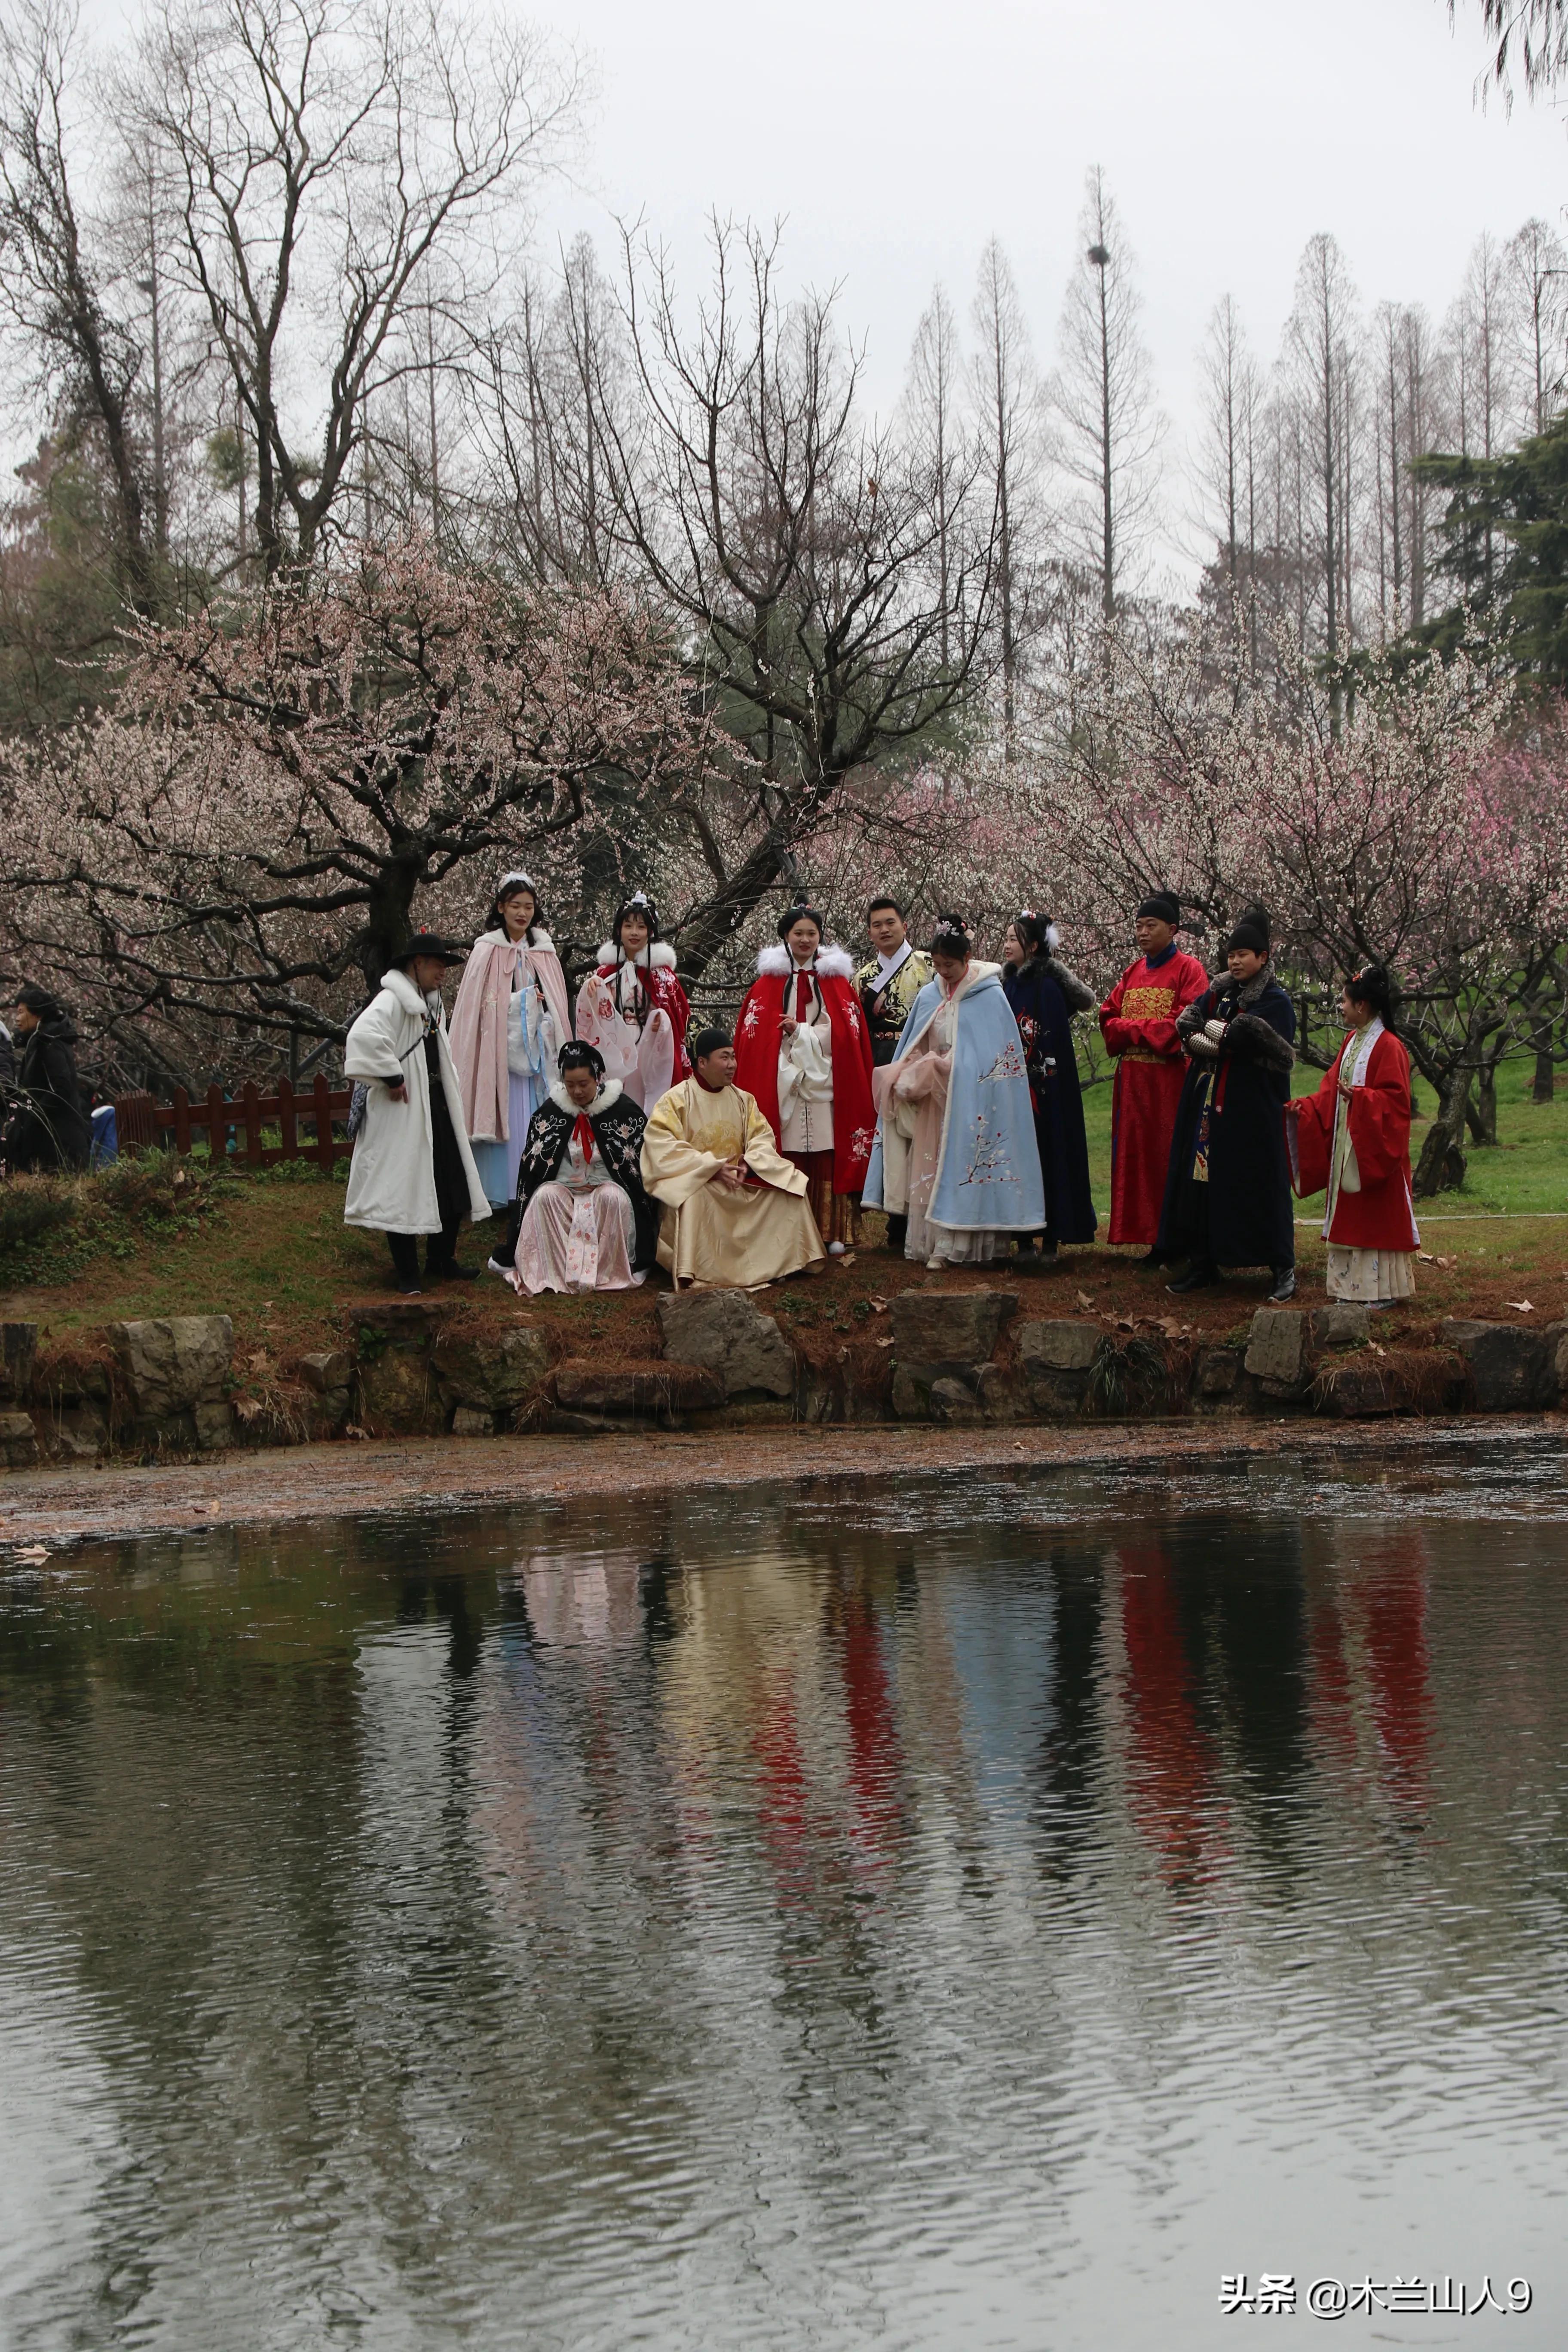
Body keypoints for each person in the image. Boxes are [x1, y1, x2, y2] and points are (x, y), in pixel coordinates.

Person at [861, 913, 1045, 1268]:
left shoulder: (989, 995)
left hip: (975, 1099)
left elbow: (996, 1056)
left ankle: (964, 1243)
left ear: (967, 958)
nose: (943, 972)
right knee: (933, 1167)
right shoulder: (931, 995)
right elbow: (916, 1040)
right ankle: (937, 1242)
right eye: (937, 964)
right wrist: (913, 1068)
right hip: (937, 1100)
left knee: (967, 1165)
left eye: (949, 965)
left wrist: (953, 1064)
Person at [1160, 909, 1298, 1303]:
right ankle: (1205, 1262)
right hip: (1208, 1107)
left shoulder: (1275, 1001)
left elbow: (1249, 1039)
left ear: (1263, 958)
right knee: (1203, 1183)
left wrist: (1222, 1037)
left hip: (1253, 1110)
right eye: (1231, 955)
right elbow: (1189, 1026)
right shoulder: (1219, 994)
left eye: (1244, 954)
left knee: (1262, 1183)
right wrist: (1219, 1038)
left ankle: (1282, 1266)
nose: (1235, 962)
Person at [343, 933, 491, 1295]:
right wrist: (392, 1075)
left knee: (452, 1182)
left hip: (435, 1104)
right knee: (402, 1186)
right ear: (416, 964)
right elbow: (363, 1037)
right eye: (437, 964)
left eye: (444, 965)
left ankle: (441, 1262)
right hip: (403, 1111)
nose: (443, 971)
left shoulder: (431, 1003)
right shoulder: (391, 1001)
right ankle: (407, 1273)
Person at [733, 899, 877, 1256]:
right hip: (783, 1080)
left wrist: (804, 1036)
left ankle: (833, 1230)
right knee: (788, 1150)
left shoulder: (837, 983)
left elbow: (847, 1034)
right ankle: (786, 1230)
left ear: (820, 937)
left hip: (828, 1078)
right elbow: (755, 1041)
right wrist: (787, 1053)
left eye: (812, 933)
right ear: (785, 936)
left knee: (829, 1150)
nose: (805, 940)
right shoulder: (766, 985)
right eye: (798, 933)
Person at [641, 1026, 826, 1289]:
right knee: (693, 1199)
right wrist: (711, 1169)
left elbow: (762, 1137)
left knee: (791, 1187)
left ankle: (792, 1261)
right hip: (702, 1187)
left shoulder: (743, 1100)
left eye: (733, 1057)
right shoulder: (675, 1101)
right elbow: (661, 1148)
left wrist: (747, 1164)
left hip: (738, 1184)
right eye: (724, 1058)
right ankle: (698, 1272)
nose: (732, 1065)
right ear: (702, 1063)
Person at [1286, 963, 1419, 1306]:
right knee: (1352, 1210)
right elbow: (1333, 1088)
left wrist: (1361, 1100)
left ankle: (1381, 1291)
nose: (1341, 1007)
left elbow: (1397, 1103)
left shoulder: (1390, 1047)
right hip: (1349, 1138)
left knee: (1374, 1210)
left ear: (1362, 1006)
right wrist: (1308, 1106)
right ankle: (1350, 1289)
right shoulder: (1351, 1041)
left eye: (1344, 1001)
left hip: (1371, 1143)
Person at [448, 872, 572, 1213]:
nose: (522, 913)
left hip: (537, 1051)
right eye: (515, 905)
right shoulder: (487, 949)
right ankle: (501, 1188)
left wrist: (541, 1005)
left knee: (535, 1109)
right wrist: (518, 1004)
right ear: (501, 907)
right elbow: (477, 1007)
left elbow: (557, 1003)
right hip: (498, 1050)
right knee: (504, 1107)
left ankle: (540, 1182)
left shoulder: (544, 950)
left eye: (529, 906)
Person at [1099, 893, 1210, 1262]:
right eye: (1139, 926)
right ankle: (1148, 1237)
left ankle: (1173, 1239)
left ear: (1173, 929)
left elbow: (1182, 1024)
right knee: (1136, 1157)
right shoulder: (1132, 972)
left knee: (1166, 1156)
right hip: (1131, 1083)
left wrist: (1132, 1029)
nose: (1142, 933)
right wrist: (1140, 1030)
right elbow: (1108, 1018)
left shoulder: (1189, 970)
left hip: (1167, 1083)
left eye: (1151, 926)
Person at [496, 1041, 658, 1295]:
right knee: (544, 1198)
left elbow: (635, 1166)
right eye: (570, 1085)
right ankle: (557, 1270)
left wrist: (597, 1180)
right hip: (564, 1185)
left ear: (598, 1078)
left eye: (584, 1084)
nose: (578, 1091)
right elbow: (536, 1168)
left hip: (608, 1185)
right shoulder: (549, 1114)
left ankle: (606, 1271)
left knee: (613, 1199)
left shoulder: (624, 1112)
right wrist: (569, 1181)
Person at [1001, 912, 1098, 1263]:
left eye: (1016, 939)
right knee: (1018, 1158)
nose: (1008, 945)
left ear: (1035, 946)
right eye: (1008, 938)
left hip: (1046, 1089)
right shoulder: (1007, 985)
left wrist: (1040, 1076)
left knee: (1050, 1151)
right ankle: (1023, 1238)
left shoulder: (1050, 987)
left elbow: (1053, 1042)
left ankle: (1052, 1238)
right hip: (1013, 1087)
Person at [574, 891, 692, 1109]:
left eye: (641, 927)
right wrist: (592, 990)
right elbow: (594, 1012)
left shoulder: (662, 975)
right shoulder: (605, 971)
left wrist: (660, 1020)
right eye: (628, 926)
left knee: (643, 1099)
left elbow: (677, 1016)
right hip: (614, 1042)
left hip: (648, 1043)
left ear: (651, 931)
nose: (634, 933)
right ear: (619, 930)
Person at [3, 986, 91, 1171]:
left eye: (21, 1012)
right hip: (47, 1139)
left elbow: (61, 1088)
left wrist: (34, 1116)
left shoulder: (50, 1042)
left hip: (58, 1142)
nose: (17, 1019)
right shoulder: (39, 1041)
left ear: (38, 1014)